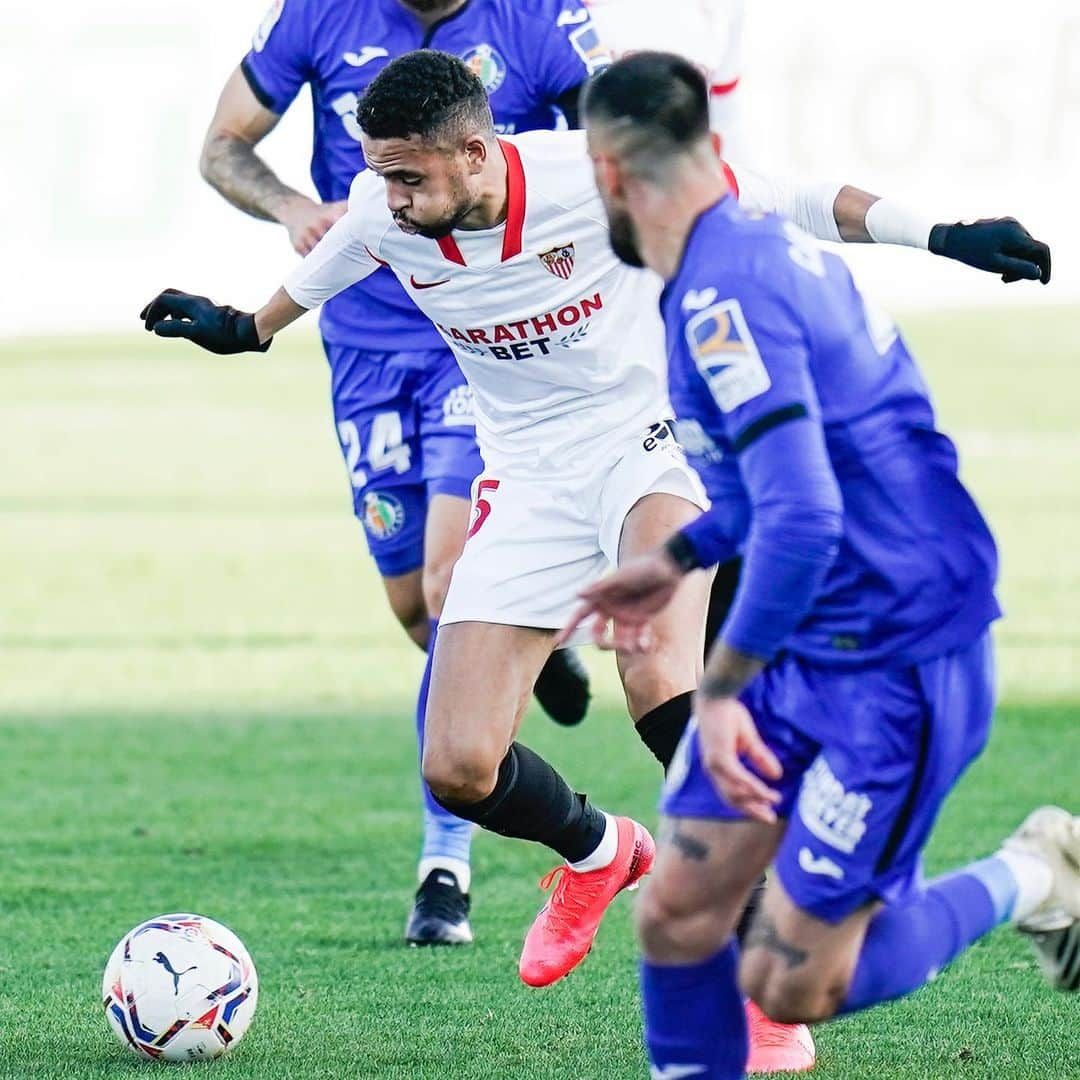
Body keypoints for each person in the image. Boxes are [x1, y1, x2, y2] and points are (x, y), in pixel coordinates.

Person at [139, 48, 1052, 1059]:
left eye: (408, 177)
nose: (386, 198)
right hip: (525, 476)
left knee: (658, 671)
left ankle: (759, 947)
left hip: (645, 443)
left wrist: (941, 231)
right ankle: (602, 849)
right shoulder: (376, 211)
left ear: (480, 153)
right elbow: (315, 275)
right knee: (457, 768)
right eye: (379, 175)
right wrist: (244, 326)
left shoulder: (586, 176)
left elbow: (784, 197)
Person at [566, 51, 1075, 1079]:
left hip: (898, 655)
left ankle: (1038, 872)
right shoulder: (732, 252)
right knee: (674, 915)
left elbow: (804, 521)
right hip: (810, 630)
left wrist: (716, 690)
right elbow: (769, 495)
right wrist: (675, 560)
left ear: (611, 176)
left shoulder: (722, 295)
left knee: (791, 983)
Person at [198, 0, 613, 947]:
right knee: (412, 606)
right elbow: (223, 144)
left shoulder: (543, 18)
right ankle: (530, 635)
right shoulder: (317, 14)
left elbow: (619, 137)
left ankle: (445, 866)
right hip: (366, 345)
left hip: (489, 345)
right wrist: (294, 208)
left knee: (446, 575)